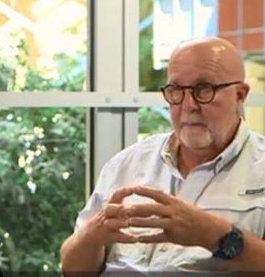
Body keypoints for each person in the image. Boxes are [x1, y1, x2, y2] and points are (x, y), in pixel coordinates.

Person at [61, 37, 265, 276]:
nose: (188, 105)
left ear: (240, 95)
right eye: (176, 90)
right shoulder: (128, 163)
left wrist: (213, 235)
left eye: (204, 90)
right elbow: (71, 269)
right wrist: (91, 236)